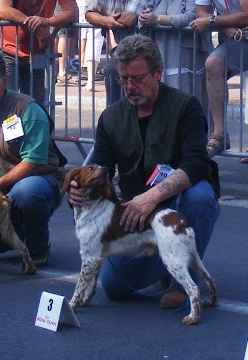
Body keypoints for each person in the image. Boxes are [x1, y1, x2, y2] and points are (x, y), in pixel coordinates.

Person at [68, 34, 220, 308]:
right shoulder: (111, 117)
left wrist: (151, 197)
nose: (129, 86)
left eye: (137, 79)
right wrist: (76, 192)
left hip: (174, 202)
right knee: (115, 287)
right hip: (134, 217)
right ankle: (167, 259)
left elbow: (197, 163)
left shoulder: (186, 107)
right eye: (123, 79)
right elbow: (99, 167)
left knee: (201, 196)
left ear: (158, 74)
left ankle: (180, 280)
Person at [0, 53, 67, 265]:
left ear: (3, 80)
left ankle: (37, 248)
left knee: (28, 192)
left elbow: (34, 161)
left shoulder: (27, 109)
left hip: (36, 178)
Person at [191, 0, 248, 157]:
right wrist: (224, 26)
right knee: (214, 63)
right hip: (238, 39)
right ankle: (219, 134)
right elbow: (201, 11)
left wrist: (213, 21)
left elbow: (246, 14)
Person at [138, 0, 211, 114]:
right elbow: (142, 13)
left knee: (186, 101)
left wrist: (157, 19)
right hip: (160, 52)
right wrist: (143, 18)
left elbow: (193, 16)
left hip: (187, 56)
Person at [0, 0, 78, 104]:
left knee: (35, 106)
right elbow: (2, 9)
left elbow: (72, 11)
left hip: (39, 53)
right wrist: (35, 25)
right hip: (8, 51)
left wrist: (47, 22)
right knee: (6, 104)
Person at [85, 0, 144, 105]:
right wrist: (107, 20)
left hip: (145, 52)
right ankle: (114, 118)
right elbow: (89, 14)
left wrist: (133, 16)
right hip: (120, 53)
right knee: (112, 71)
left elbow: (129, 18)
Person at [76, 0, 104, 91]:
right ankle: (89, 80)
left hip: (84, 4)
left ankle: (84, 74)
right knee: (94, 39)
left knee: (85, 35)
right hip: (97, 6)